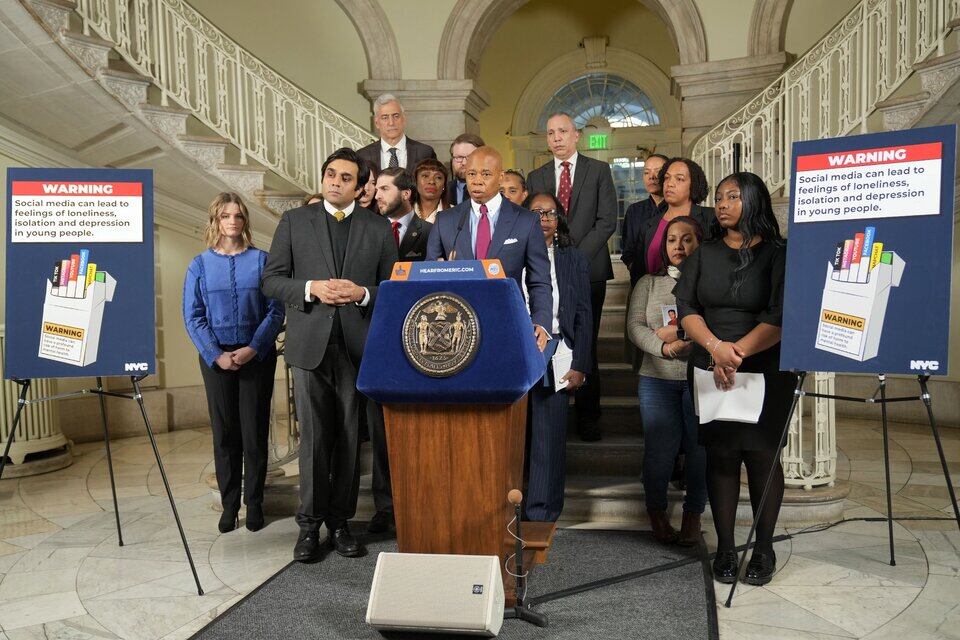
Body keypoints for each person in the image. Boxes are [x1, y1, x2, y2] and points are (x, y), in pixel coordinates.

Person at [262, 147, 398, 563]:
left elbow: (392, 287)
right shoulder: (294, 221)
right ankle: (309, 527)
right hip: (308, 347)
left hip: (357, 348)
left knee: (347, 441)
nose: (336, 182)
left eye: (345, 178)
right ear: (323, 179)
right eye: (330, 175)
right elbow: (272, 281)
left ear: (359, 188)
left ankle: (340, 523)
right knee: (314, 441)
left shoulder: (377, 229)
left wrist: (362, 294)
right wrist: (311, 289)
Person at [674, 171, 795, 586]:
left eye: (733, 197)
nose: (722, 204)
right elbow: (686, 307)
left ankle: (763, 549)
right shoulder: (703, 254)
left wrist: (736, 352)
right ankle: (726, 548)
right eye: (720, 197)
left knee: (762, 457)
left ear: (754, 202)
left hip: (765, 364)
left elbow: (779, 315)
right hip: (711, 364)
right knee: (721, 456)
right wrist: (716, 349)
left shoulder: (779, 254)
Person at [183, 192, 284, 534]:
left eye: (238, 215)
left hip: (256, 356)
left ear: (244, 221)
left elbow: (275, 310)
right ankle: (229, 506)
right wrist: (216, 354)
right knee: (225, 435)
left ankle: (254, 503)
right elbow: (192, 316)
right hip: (217, 359)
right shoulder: (199, 265)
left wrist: (254, 348)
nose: (232, 221)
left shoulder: (261, 260)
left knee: (254, 432)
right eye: (226, 215)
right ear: (216, 220)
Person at [526, 112, 617, 442]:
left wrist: (574, 257)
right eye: (551, 133)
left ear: (576, 135)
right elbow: (529, 224)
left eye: (563, 131)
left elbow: (607, 221)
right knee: (549, 340)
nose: (557, 138)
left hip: (589, 269)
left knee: (585, 343)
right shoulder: (536, 176)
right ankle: (552, 417)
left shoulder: (599, 171)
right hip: (544, 271)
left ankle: (589, 418)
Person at [626, 215, 706, 546]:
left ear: (699, 243)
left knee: (700, 450)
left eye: (687, 239)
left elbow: (714, 322)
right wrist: (665, 347)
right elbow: (635, 326)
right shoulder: (648, 283)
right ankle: (657, 513)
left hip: (699, 376)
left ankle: (693, 515)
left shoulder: (707, 281)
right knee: (660, 451)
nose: (679, 246)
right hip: (656, 379)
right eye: (672, 240)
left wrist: (685, 339)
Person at [426, 146, 553, 348]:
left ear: (501, 177)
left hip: (509, 323)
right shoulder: (445, 221)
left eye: (486, 174)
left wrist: (541, 321)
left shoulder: (526, 221)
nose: (477, 181)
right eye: (471, 174)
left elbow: (539, 280)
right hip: (456, 328)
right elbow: (428, 278)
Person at [522, 191, 591, 522]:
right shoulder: (510, 254)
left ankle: (541, 514)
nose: (544, 219)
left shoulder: (572, 258)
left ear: (559, 219)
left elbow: (583, 314)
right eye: (536, 213)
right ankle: (509, 507)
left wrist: (580, 364)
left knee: (549, 439)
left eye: (550, 213)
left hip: (558, 349)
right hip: (516, 349)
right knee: (515, 437)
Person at [621, 153, 669, 286]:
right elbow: (627, 248)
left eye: (658, 172)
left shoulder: (676, 209)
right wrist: (634, 267)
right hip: (640, 281)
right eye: (646, 172)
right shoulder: (634, 211)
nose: (651, 177)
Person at [357, 94, 437, 171]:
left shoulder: (425, 153)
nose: (391, 123)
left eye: (396, 116)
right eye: (385, 118)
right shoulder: (363, 156)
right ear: (377, 123)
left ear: (404, 119)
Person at [447, 133, 484, 206]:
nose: (464, 163)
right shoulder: (442, 191)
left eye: (470, 157)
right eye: (459, 157)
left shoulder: (494, 189)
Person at [412, 158, 449, 223]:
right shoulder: (403, 212)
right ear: (416, 181)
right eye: (425, 176)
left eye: (438, 177)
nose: (431, 181)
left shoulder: (455, 214)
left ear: (444, 185)